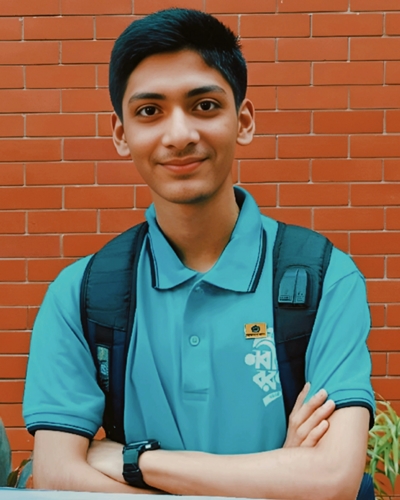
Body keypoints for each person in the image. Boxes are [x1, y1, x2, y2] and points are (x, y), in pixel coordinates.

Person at [23, 8, 374, 500]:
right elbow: (56, 477)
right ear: (121, 134)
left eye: (205, 106)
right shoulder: (81, 295)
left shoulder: (322, 279)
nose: (180, 135)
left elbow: (332, 479)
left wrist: (137, 461)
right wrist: (278, 476)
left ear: (243, 121)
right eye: (150, 111)